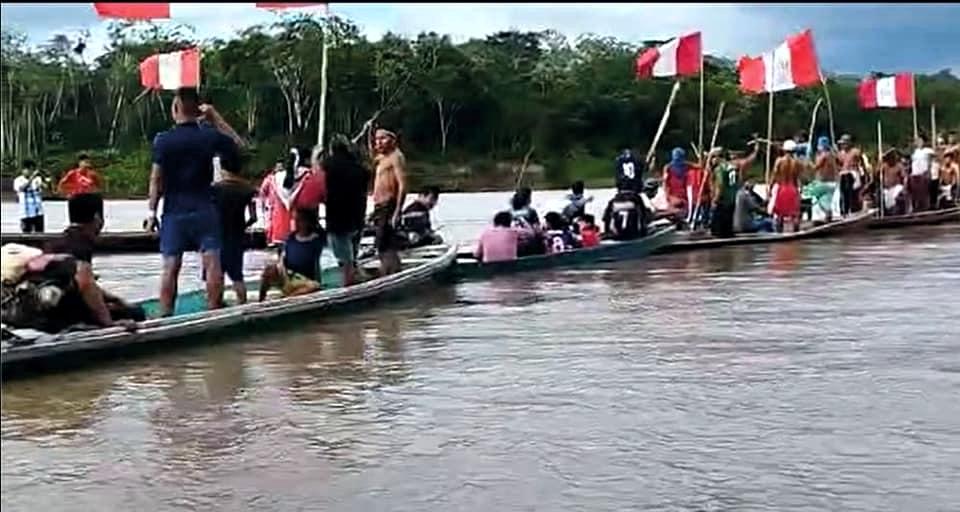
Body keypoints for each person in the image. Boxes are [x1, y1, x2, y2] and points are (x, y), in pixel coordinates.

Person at [145, 88, 243, 317]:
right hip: (204, 207)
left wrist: (151, 213)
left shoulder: (163, 140)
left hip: (174, 210)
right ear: (197, 109)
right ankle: (213, 309)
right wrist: (215, 117)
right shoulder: (208, 135)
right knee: (212, 260)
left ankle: (165, 313)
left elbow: (155, 180)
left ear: (176, 108)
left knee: (171, 265)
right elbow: (238, 145)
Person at [8, 193, 142, 333]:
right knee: (135, 312)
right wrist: (109, 323)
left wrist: (112, 298)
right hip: (60, 315)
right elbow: (85, 283)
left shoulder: (57, 242)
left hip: (36, 309)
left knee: (113, 305)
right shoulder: (81, 243)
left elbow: (76, 282)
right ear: (97, 217)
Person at [323, 134, 370, 286]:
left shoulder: (328, 166)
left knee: (344, 260)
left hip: (337, 217)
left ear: (332, 148)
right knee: (352, 256)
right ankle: (357, 280)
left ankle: (349, 287)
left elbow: (320, 184)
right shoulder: (359, 167)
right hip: (357, 216)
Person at [211, 164, 257, 305]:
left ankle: (216, 304)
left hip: (217, 236)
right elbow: (254, 217)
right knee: (237, 275)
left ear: (223, 169)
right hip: (237, 236)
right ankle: (242, 303)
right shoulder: (247, 189)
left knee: (216, 273)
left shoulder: (215, 189)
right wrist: (243, 226)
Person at [259, 208, 326, 301]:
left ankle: (288, 298)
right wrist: (279, 269)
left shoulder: (316, 240)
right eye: (296, 220)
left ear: (308, 222)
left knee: (312, 287)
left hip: (305, 280)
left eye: (300, 220)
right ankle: (261, 301)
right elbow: (282, 257)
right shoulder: (291, 238)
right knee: (268, 271)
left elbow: (320, 264)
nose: (297, 223)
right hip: (288, 275)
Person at [369, 128, 407, 275]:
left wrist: (398, 210)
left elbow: (402, 184)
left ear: (392, 140)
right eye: (377, 139)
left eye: (382, 139)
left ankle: (391, 271)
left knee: (384, 243)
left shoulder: (396, 157)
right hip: (379, 206)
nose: (379, 142)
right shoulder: (381, 158)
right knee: (384, 242)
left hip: (389, 204)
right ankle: (389, 270)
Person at [769, 140, 804, 232]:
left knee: (780, 214)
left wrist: (770, 187)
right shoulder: (797, 162)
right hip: (793, 188)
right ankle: (796, 233)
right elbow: (798, 178)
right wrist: (800, 190)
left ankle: (779, 233)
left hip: (782, 188)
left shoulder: (779, 161)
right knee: (795, 214)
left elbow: (774, 176)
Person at [13, 159, 48, 234]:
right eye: (28, 169)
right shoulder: (18, 180)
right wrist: (31, 178)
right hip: (25, 213)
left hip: (38, 212)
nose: (30, 171)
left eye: (32, 170)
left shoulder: (37, 179)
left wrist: (44, 180)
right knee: (26, 236)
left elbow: (45, 189)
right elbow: (22, 188)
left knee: (40, 235)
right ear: (23, 170)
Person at [510, 187, 544, 256]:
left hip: (513, 243)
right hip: (529, 243)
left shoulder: (509, 213)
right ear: (528, 200)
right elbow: (537, 229)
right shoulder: (530, 211)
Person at [909, 134, 935, 212]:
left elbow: (935, 157)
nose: (919, 142)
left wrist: (929, 169)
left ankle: (926, 208)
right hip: (915, 174)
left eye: (920, 141)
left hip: (923, 174)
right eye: (918, 141)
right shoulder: (914, 152)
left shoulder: (928, 150)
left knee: (924, 192)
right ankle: (917, 208)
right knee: (915, 193)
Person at [662, 147, 691, 215]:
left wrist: (667, 196)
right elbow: (665, 183)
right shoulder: (686, 166)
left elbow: (665, 183)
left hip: (676, 197)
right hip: (678, 197)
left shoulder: (668, 167)